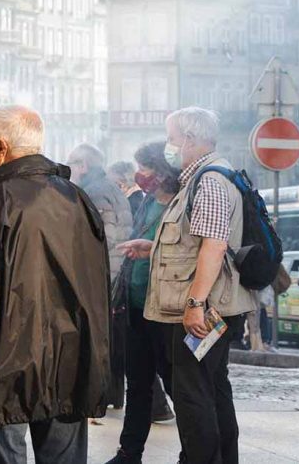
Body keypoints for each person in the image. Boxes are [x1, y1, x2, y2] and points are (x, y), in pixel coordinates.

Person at [0, 106, 110, 464]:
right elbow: (97, 292)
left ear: (1, 147)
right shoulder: (77, 199)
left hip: (1, 369)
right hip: (69, 362)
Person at [124, 107, 256, 464]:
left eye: (172, 138)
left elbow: (213, 246)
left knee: (193, 393)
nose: (170, 146)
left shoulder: (209, 180)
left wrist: (195, 304)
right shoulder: (204, 177)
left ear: (191, 140)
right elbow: (197, 244)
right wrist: (154, 250)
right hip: (211, 303)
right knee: (213, 388)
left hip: (205, 308)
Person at [105, 142, 179, 464]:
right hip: (136, 305)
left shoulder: (179, 204)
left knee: (178, 385)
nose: (141, 175)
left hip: (165, 308)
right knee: (137, 385)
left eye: (145, 169)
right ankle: (128, 453)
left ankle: (194, 451)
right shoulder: (147, 202)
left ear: (162, 171)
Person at [68, 143, 133, 281]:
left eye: (70, 164)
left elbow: (103, 238)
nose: (68, 170)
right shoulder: (110, 187)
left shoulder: (94, 193)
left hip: (101, 274)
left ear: (82, 166)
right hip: (116, 271)